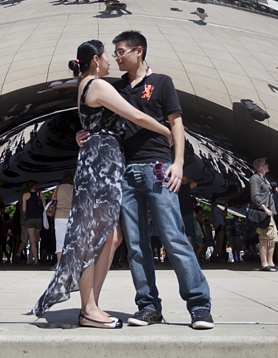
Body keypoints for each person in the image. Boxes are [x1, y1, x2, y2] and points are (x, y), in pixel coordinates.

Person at [32, 40, 172, 329]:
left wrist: (84, 135)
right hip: (99, 166)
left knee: (111, 236)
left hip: (102, 161)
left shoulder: (88, 85)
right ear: (95, 60)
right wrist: (165, 129)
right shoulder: (96, 85)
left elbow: (94, 123)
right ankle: (88, 308)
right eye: (107, 56)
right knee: (90, 236)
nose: (110, 61)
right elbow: (134, 115)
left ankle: (91, 303)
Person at [104, 30, 214, 330]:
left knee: (174, 238)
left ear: (138, 51)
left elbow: (176, 122)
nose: (117, 57)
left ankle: (199, 306)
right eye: (115, 52)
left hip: (157, 168)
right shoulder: (118, 88)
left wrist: (177, 163)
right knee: (137, 246)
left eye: (121, 51)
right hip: (127, 173)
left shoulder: (161, 82)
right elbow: (107, 125)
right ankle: (148, 307)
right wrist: (81, 134)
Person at [250, 158, 278, 272]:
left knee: (272, 238)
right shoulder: (255, 179)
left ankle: (271, 262)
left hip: (269, 212)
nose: (268, 166)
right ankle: (264, 263)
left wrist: (272, 190)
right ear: (260, 167)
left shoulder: (265, 179)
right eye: (265, 164)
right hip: (263, 213)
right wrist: (265, 208)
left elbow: (265, 195)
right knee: (264, 238)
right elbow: (255, 196)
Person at [51, 171, 74, 264]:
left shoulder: (58, 187)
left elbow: (53, 199)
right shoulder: (75, 188)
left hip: (59, 215)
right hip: (71, 216)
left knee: (60, 241)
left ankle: (60, 264)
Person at [21, 181, 43, 267]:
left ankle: (36, 260)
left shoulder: (25, 195)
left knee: (32, 241)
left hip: (30, 218)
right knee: (35, 240)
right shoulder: (39, 193)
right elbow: (45, 205)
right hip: (39, 218)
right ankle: (30, 259)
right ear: (34, 186)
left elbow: (23, 209)